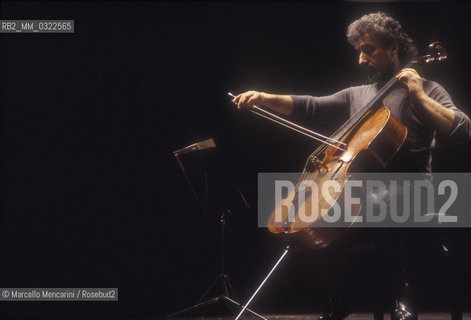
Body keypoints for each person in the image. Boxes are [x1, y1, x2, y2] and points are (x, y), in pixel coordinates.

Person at [232, 12, 471, 320]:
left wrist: (419, 95)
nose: (361, 59)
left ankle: (400, 297)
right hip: (363, 195)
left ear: (393, 49)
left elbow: (463, 129)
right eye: (359, 50)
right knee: (329, 216)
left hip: (415, 193)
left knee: (378, 201)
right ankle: (339, 299)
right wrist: (264, 97)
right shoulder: (357, 95)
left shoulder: (427, 89)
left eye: (368, 49)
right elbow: (310, 105)